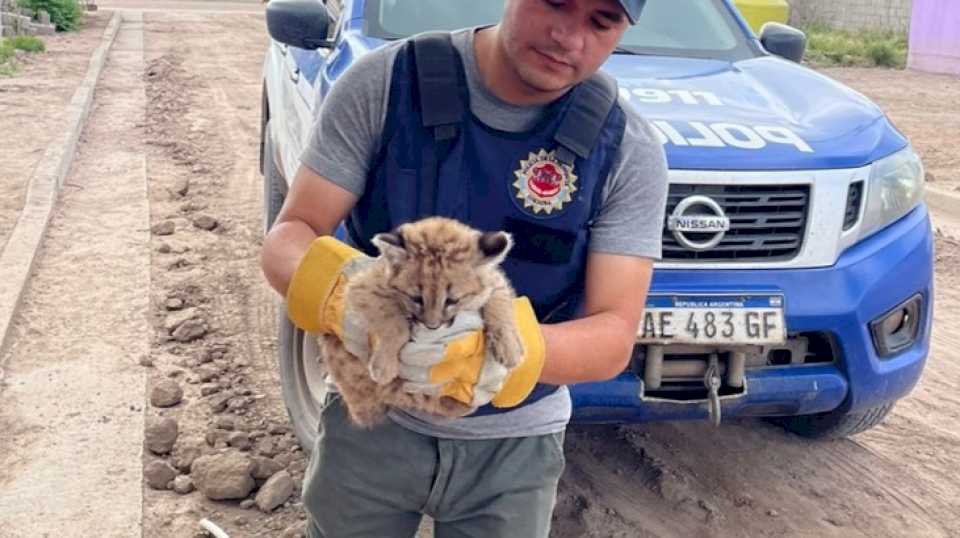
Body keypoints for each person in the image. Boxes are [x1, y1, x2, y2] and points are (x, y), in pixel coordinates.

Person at [260, 0, 668, 536]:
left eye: (601, 21)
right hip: (373, 419)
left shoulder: (627, 150)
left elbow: (614, 332)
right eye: (556, 3)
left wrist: (498, 360)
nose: (569, 37)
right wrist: (346, 300)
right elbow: (292, 236)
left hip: (514, 446)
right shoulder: (386, 85)